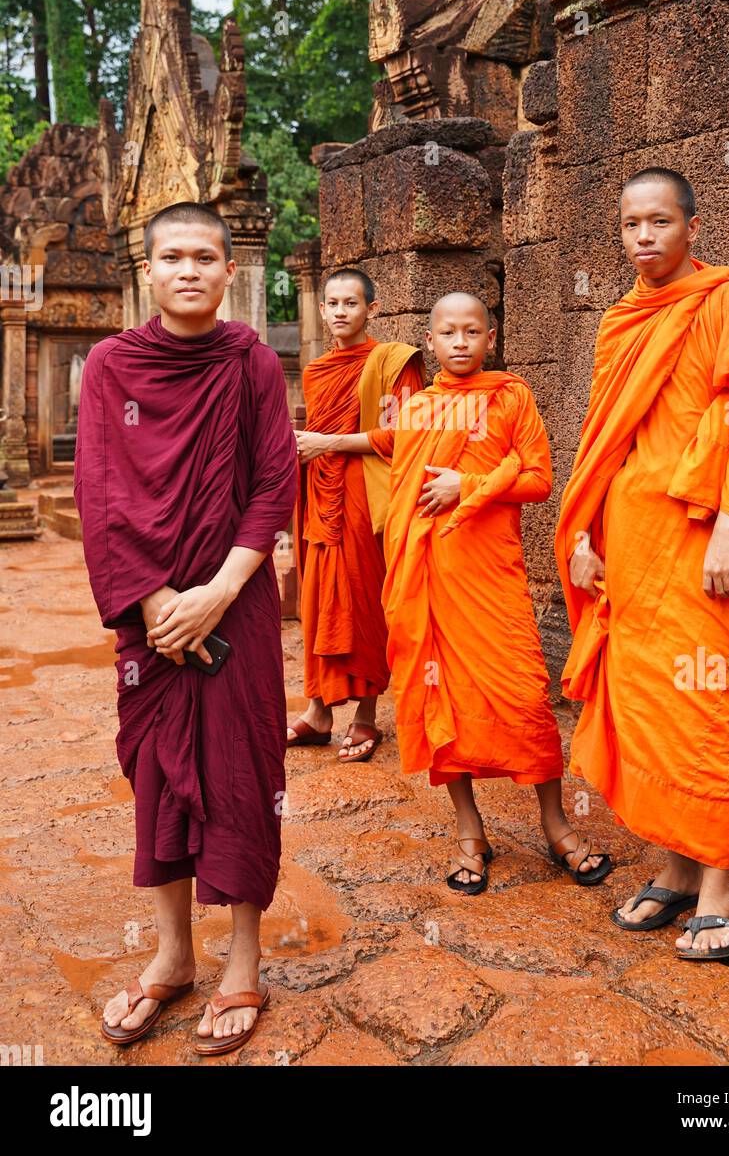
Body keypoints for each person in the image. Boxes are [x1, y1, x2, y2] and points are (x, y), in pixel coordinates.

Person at [74, 201, 296, 1054]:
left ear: (229, 271)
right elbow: (101, 493)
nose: (190, 270)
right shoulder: (110, 365)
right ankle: (172, 956)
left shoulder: (251, 363)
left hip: (233, 602)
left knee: (243, 767)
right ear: (150, 271)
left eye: (206, 256)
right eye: (174, 257)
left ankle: (243, 960)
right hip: (149, 609)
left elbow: (273, 485)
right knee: (157, 774)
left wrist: (221, 591)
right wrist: (155, 602)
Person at [554, 168, 729, 961]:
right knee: (646, 703)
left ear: (691, 226)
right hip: (626, 537)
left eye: (659, 221)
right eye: (630, 224)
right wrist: (582, 536)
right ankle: (675, 867)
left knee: (702, 704)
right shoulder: (622, 318)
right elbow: (600, 438)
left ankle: (716, 887)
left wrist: (727, 525)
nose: (643, 236)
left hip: (697, 537)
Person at [374, 292, 611, 892]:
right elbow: (404, 501)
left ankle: (555, 824)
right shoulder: (418, 409)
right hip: (430, 578)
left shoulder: (511, 397)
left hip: (492, 577)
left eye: (471, 332)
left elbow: (538, 479)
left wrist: (470, 484)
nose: (460, 342)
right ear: (429, 342)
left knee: (525, 694)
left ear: (490, 336)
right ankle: (468, 830)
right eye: (448, 332)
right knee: (441, 703)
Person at [290, 268, 424, 762]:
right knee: (319, 598)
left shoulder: (391, 363)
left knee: (363, 600)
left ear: (373, 308)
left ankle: (366, 718)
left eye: (352, 303)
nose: (342, 311)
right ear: (322, 309)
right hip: (319, 495)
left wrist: (330, 443)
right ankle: (319, 710)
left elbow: (405, 434)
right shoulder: (317, 370)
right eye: (333, 303)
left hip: (367, 499)